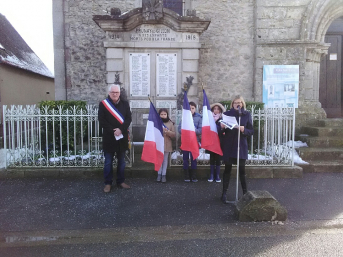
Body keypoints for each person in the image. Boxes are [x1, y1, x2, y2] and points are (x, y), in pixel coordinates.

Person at [98, 84, 132, 193]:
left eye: (116, 92)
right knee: (108, 162)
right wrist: (113, 130)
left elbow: (128, 119)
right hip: (109, 137)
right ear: (109, 93)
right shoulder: (103, 104)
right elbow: (102, 120)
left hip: (121, 138)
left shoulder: (125, 104)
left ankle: (120, 181)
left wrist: (120, 129)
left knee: (121, 162)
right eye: (113, 92)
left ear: (119, 93)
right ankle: (108, 183)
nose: (115, 94)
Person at [220, 95, 254, 203]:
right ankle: (224, 193)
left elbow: (251, 131)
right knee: (227, 169)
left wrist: (244, 129)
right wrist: (222, 128)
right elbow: (221, 133)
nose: (237, 104)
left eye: (239, 102)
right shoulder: (226, 114)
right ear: (232, 104)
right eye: (235, 103)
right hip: (229, 145)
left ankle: (245, 193)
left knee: (242, 171)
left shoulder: (246, 114)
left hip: (241, 146)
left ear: (242, 104)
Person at [178, 101, 202, 182]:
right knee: (185, 159)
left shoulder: (199, 118)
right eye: (189, 108)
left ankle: (194, 176)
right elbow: (179, 129)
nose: (191, 110)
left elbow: (200, 130)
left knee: (194, 159)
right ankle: (186, 176)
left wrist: (193, 130)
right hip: (185, 141)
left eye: (193, 108)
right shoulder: (184, 117)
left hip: (194, 141)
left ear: (195, 109)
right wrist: (185, 131)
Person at [207, 103, 226, 183]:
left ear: (220, 110)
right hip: (211, 141)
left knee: (218, 158)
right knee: (212, 158)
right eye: (215, 109)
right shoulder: (209, 118)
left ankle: (217, 175)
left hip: (219, 141)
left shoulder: (223, 118)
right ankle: (211, 174)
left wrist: (220, 128)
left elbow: (223, 130)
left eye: (218, 109)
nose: (216, 110)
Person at [157, 108, 176, 183]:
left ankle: (164, 175)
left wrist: (167, 132)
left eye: (165, 114)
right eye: (161, 114)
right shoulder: (157, 122)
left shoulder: (170, 123)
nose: (163, 116)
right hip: (159, 144)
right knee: (159, 160)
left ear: (167, 115)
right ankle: (159, 174)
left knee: (165, 160)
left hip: (167, 144)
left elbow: (174, 134)